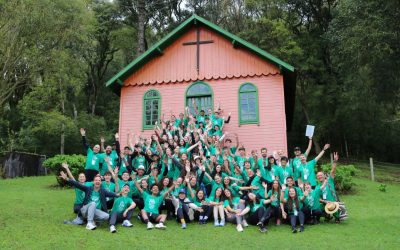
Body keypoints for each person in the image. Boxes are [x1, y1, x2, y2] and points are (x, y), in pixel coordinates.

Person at [316, 152, 341, 222]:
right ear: (317, 178)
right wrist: (324, 201)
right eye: (318, 176)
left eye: (321, 175)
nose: (319, 176)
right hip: (325, 203)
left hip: (333, 202)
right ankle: (326, 215)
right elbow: (317, 198)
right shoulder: (318, 186)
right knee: (317, 208)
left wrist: (335, 161)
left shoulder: (329, 181)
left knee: (336, 212)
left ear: (324, 175)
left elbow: (333, 171)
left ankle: (337, 217)